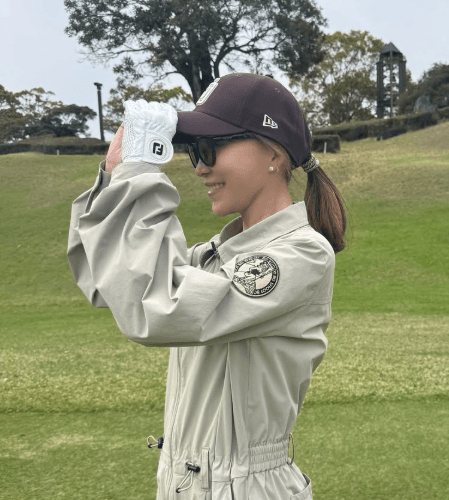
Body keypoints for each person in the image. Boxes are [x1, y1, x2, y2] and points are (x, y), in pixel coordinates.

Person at [67, 72, 348, 500]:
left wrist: (140, 175)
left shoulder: (303, 255)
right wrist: (112, 175)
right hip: (189, 484)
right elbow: (105, 280)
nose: (200, 167)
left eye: (211, 147)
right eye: (194, 150)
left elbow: (158, 310)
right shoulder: (214, 257)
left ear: (274, 152)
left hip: (246, 488)